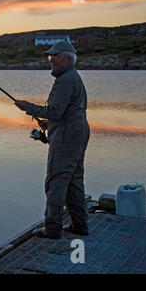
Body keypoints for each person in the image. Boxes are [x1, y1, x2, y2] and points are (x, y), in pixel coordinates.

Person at [14, 41, 90, 239]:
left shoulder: (66, 80)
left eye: (55, 56)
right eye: (50, 57)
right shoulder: (72, 77)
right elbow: (68, 112)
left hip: (67, 138)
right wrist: (50, 124)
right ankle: (79, 225)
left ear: (67, 58)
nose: (51, 60)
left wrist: (27, 106)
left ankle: (52, 228)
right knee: (73, 180)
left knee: (56, 181)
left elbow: (56, 111)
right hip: (76, 133)